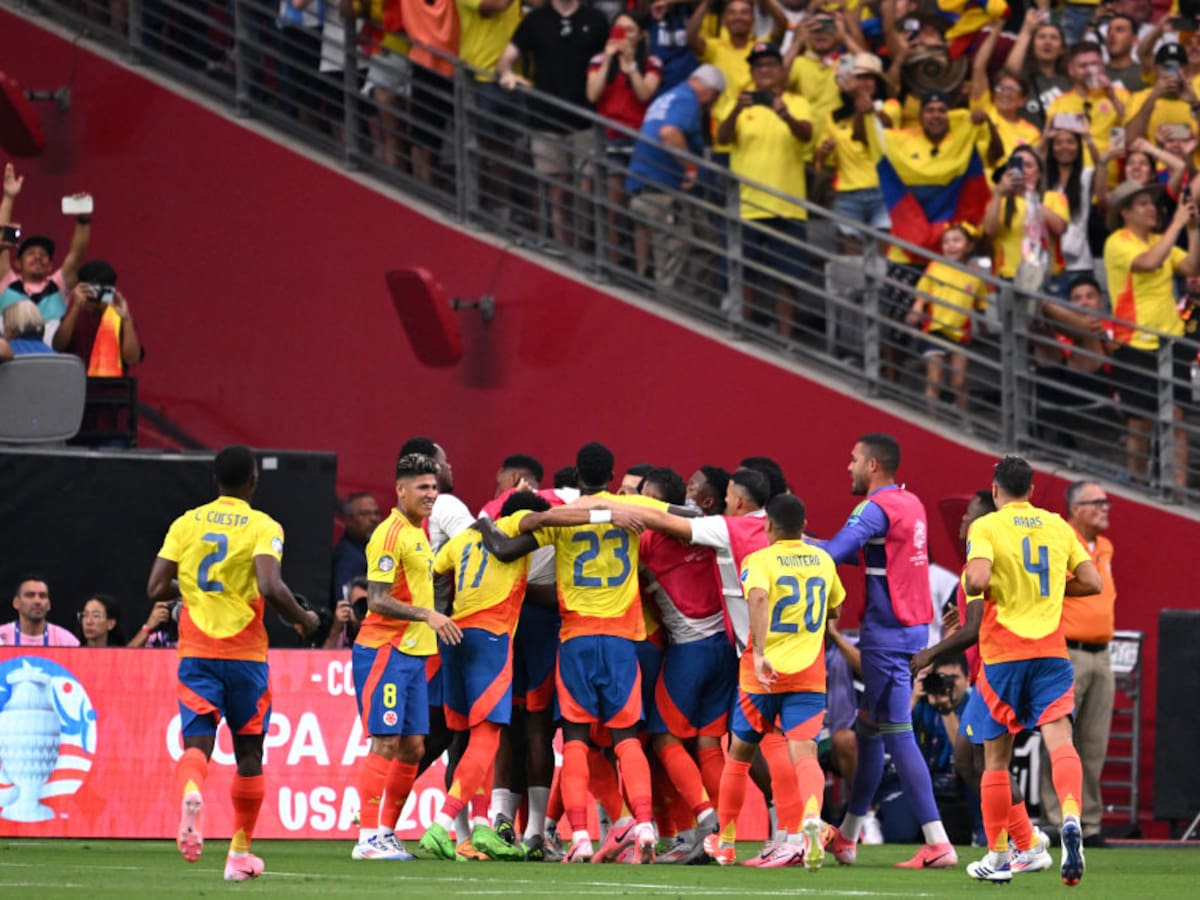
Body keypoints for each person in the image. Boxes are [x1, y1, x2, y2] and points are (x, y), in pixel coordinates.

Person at [475, 442, 660, 863]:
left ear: (577, 477)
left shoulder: (562, 516)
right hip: (620, 640)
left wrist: (484, 524)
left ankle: (579, 838)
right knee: (626, 738)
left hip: (574, 638)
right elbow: (683, 521)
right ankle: (644, 824)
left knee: (574, 739)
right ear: (613, 476)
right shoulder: (632, 511)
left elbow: (505, 548)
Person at [146, 445, 320, 881]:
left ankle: (191, 792)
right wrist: (305, 619)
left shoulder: (186, 522)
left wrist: (195, 590)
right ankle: (239, 854)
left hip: (197, 651)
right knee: (249, 751)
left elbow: (155, 587)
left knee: (197, 744)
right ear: (254, 480)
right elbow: (269, 583)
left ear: (215, 480)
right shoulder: (263, 525)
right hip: (245, 655)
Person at [958, 455, 1102, 885]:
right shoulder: (1057, 525)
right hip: (1052, 653)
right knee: (1061, 743)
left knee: (995, 760)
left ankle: (999, 855)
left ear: (996, 489)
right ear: (1032, 490)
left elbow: (978, 580)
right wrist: (1055, 587)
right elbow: (1092, 582)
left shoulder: (987, 526)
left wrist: (970, 580)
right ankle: (1071, 816)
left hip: (1004, 656)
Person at [820, 433, 956, 870]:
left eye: (854, 459)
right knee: (869, 732)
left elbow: (836, 554)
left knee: (895, 731)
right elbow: (876, 557)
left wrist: (789, 545)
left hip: (885, 636)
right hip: (911, 631)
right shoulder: (910, 503)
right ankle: (849, 835)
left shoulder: (873, 507)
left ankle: (937, 842)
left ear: (873, 465)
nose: (848, 466)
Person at [703, 493, 843, 869]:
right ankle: (811, 817)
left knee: (740, 757)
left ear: (767, 526)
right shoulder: (824, 559)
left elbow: (760, 598)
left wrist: (762, 651)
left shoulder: (759, 560)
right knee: (805, 753)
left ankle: (727, 841)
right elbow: (835, 608)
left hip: (760, 676)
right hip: (808, 674)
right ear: (805, 525)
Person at [418, 491, 551, 861]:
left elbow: (435, 573)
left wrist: (442, 613)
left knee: (462, 741)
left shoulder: (460, 540)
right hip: (490, 640)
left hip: (454, 636)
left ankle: (476, 832)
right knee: (488, 737)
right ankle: (441, 826)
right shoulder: (512, 540)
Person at [349, 452, 463, 861]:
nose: (431, 494)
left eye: (434, 487)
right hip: (385, 651)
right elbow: (377, 600)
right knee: (386, 739)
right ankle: (366, 840)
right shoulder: (389, 534)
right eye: (422, 488)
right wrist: (427, 615)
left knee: (414, 747)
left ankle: (385, 831)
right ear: (400, 490)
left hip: (414, 655)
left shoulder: (420, 530)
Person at [1103, 177, 1200, 486]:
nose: (1151, 208)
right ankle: (1138, 484)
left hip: (1171, 342)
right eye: (1143, 204)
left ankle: (1179, 490)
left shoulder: (1159, 239)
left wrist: (1193, 229)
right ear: (1125, 212)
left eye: (1152, 203)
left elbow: (1191, 267)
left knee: (1178, 418)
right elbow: (1148, 262)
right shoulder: (1117, 241)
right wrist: (1177, 223)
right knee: (1140, 422)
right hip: (1135, 343)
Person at [716, 40, 814, 339]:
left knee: (787, 277)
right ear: (752, 72)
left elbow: (806, 134)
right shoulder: (736, 101)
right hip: (746, 204)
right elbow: (721, 137)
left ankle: (785, 339)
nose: (765, 70)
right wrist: (735, 111)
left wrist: (784, 114)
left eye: (771, 64)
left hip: (787, 203)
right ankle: (741, 333)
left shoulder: (797, 101)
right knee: (742, 272)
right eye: (759, 66)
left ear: (782, 70)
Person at [1038, 481, 1117, 849]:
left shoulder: (1104, 546)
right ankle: (1057, 820)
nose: (1105, 507)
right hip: (1067, 650)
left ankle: (1089, 821)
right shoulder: (1060, 539)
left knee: (1093, 742)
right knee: (1059, 738)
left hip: (1102, 654)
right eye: (1096, 502)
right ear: (1075, 509)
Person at [495, 0, 609, 249]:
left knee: (587, 188)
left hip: (586, 120)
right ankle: (563, 247)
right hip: (545, 119)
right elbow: (506, 60)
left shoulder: (596, 19)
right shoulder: (535, 21)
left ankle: (583, 247)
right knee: (557, 190)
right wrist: (508, 74)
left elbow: (609, 64)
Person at [625, 64, 725, 284]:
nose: (710, 105)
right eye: (714, 99)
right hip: (662, 192)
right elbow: (669, 132)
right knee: (672, 266)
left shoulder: (668, 96)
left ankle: (697, 302)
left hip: (643, 187)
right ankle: (671, 310)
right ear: (711, 92)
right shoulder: (687, 100)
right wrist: (691, 167)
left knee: (706, 241)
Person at [585, 12, 663, 267]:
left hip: (640, 142)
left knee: (640, 209)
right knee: (613, 204)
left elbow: (644, 95)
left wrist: (630, 66)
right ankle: (614, 260)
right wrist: (609, 58)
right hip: (609, 140)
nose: (624, 35)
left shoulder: (651, 62)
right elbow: (592, 95)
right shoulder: (598, 60)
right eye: (618, 30)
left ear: (640, 35)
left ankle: (643, 268)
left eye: (629, 30)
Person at [905, 223, 989, 421]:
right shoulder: (934, 266)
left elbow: (980, 305)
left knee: (959, 382)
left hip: (961, 333)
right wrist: (917, 308)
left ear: (969, 246)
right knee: (934, 380)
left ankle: (963, 421)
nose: (951, 245)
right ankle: (931, 420)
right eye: (946, 242)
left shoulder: (976, 275)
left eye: (957, 241)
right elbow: (922, 293)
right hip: (935, 328)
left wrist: (983, 326)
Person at [0, 164, 91, 342]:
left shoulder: (60, 285)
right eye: (31, 253)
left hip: (51, 364)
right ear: (17, 264)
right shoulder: (6, 281)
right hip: (9, 363)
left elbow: (77, 255)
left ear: (50, 266)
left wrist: (83, 221)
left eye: (43, 255)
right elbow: (2, 239)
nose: (38, 257)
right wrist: (9, 197)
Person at [52, 260, 143, 376]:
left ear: (111, 290)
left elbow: (132, 359)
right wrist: (75, 306)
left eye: (101, 289)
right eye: (91, 288)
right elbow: (58, 346)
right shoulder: (75, 316)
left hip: (114, 389)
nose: (96, 294)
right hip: (79, 388)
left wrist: (127, 319)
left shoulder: (119, 317)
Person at [0, 576, 80, 647]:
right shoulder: (1, 637)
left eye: (42, 596)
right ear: (16, 603)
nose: (37, 601)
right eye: (30, 595)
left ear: (48, 604)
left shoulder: (66, 641)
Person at [331, 492, 383, 597]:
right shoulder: (348, 557)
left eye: (377, 513)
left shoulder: (371, 549)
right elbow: (344, 599)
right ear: (349, 520)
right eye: (364, 514)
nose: (373, 519)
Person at [323, 575, 367, 649]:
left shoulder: (381, 625)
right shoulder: (342, 626)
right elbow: (325, 658)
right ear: (348, 604)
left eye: (366, 605)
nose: (363, 609)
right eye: (358, 604)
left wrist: (363, 626)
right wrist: (336, 628)